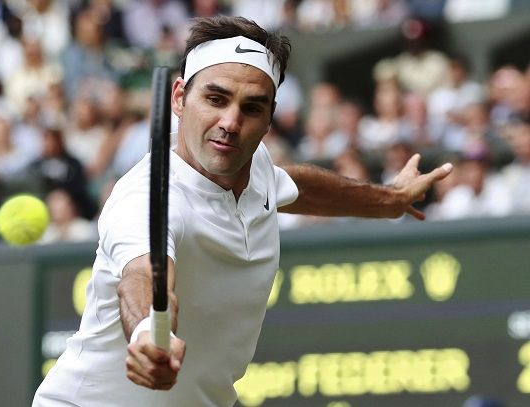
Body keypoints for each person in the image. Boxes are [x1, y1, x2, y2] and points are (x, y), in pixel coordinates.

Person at [33, 15, 452, 407]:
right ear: (180, 98)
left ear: (269, 117)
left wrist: (389, 200)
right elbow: (141, 276)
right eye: (215, 99)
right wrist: (147, 333)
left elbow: (297, 185)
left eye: (251, 108)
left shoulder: (257, 167)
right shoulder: (144, 198)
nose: (231, 122)